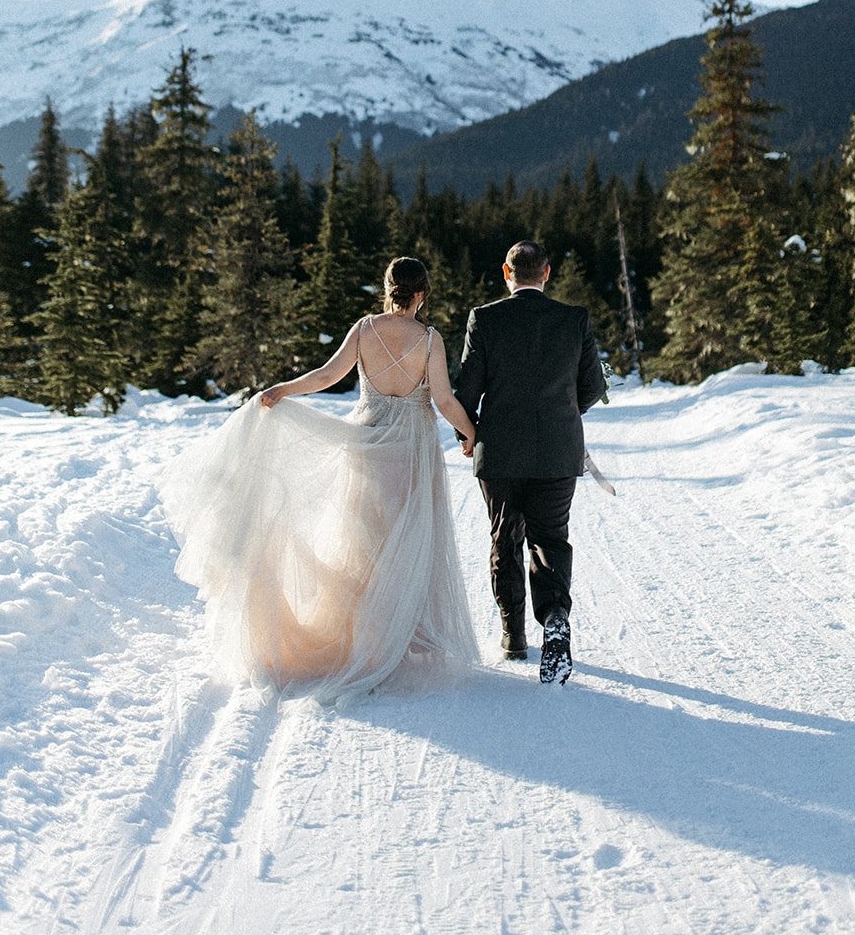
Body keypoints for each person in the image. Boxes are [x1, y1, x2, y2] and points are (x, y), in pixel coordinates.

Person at [160, 257, 479, 704]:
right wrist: (470, 432)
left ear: (387, 288)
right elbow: (443, 399)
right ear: (423, 293)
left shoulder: (366, 329)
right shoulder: (429, 340)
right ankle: (396, 638)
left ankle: (362, 636)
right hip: (410, 450)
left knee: (364, 542)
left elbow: (328, 376)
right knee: (405, 542)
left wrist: (282, 390)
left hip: (367, 442)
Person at [454, 240, 606, 685]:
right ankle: (555, 615)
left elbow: (467, 392)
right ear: (547, 273)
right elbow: (592, 387)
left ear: (507, 272)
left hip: (499, 452)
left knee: (505, 538)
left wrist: (470, 432)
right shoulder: (574, 319)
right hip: (557, 452)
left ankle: (513, 636)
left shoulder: (485, 318)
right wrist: (561, 413)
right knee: (550, 539)